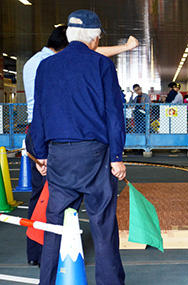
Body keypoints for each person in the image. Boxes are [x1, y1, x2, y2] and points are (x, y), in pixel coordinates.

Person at [22, 25, 138, 267]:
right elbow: (113, 113)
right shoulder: (65, 62)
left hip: (49, 141)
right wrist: (116, 156)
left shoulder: (41, 63)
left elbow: (40, 113)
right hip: (86, 146)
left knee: (47, 208)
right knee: (102, 221)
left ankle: (41, 262)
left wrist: (41, 154)